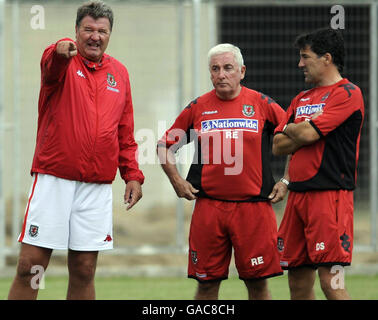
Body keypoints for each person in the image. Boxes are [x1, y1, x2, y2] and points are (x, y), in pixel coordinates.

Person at [8, 1, 144, 300]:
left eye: (102, 31)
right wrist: (60, 48)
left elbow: (125, 131)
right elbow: (51, 60)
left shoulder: (119, 73)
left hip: (95, 186)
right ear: (77, 31)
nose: (95, 36)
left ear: (110, 35)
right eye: (88, 30)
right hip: (55, 178)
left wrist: (132, 174)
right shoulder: (62, 60)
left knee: (84, 269)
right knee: (30, 266)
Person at [157, 43, 288, 300]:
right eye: (215, 69)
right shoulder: (198, 107)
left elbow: (294, 139)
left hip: (254, 210)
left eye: (228, 68)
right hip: (210, 209)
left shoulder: (262, 104)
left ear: (242, 71)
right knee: (206, 285)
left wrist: (285, 180)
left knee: (258, 285)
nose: (221, 74)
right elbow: (164, 145)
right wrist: (177, 181)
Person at [272, 28, 364, 300]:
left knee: (330, 283)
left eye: (305, 57)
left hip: (330, 197)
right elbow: (278, 146)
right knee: (297, 281)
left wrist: (296, 129)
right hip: (298, 199)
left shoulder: (348, 93)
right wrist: (301, 130)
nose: (300, 64)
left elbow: (307, 134)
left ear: (326, 58)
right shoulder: (301, 99)